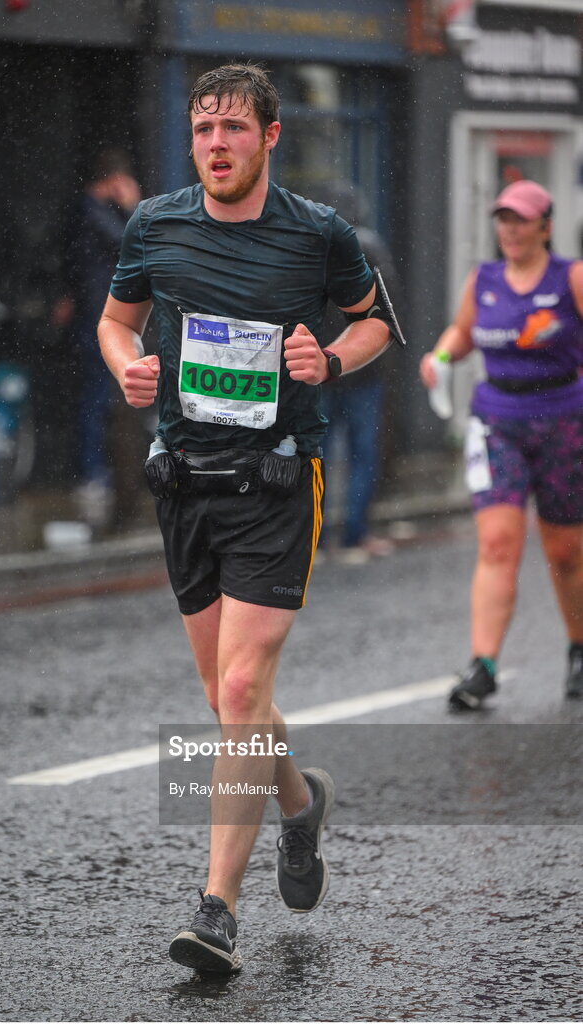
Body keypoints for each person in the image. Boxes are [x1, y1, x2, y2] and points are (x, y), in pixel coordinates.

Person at [99, 63, 397, 973]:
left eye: (233, 129)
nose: (216, 144)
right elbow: (118, 322)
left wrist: (329, 362)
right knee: (235, 704)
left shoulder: (318, 234)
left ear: (270, 137)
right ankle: (301, 806)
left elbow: (376, 320)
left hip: (275, 484)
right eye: (202, 129)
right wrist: (127, 368)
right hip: (185, 480)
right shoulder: (156, 223)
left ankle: (216, 911)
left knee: (239, 694)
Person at [419, 179, 583, 710]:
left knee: (566, 550)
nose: (510, 229)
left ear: (546, 226)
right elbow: (463, 333)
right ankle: (483, 666)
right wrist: (440, 358)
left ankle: (579, 649)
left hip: (565, 421)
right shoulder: (484, 280)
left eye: (522, 219)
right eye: (503, 219)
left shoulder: (571, 278)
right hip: (497, 423)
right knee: (496, 543)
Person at [54, 148, 141, 526]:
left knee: (100, 398)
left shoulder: (84, 212)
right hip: (98, 318)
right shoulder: (92, 212)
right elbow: (132, 244)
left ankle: (95, 471)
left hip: (99, 315)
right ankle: (92, 472)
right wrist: (132, 207)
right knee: (96, 398)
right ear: (112, 181)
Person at [314, 183, 399, 564]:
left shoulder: (314, 249)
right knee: (362, 453)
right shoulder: (372, 246)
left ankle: (313, 542)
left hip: (319, 369)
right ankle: (353, 536)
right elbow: (387, 311)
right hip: (363, 370)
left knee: (318, 454)